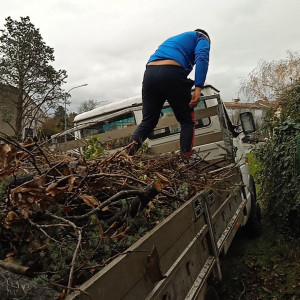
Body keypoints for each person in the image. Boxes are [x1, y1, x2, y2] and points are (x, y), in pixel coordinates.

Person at [128, 29, 211, 157]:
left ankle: (126, 156)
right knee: (187, 121)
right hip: (171, 71)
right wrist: (198, 87)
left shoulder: (176, 40)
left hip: (150, 74)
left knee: (148, 121)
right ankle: (185, 160)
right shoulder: (202, 38)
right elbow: (202, 57)